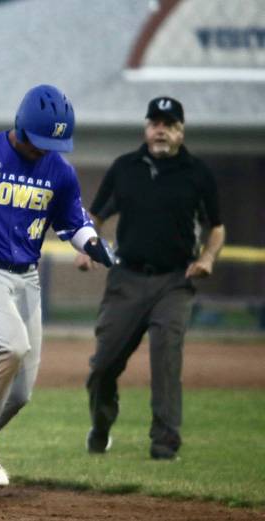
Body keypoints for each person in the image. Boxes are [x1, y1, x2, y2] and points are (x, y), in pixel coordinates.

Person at [0, 84, 115, 503]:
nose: (44, 149)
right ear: (20, 126)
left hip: (27, 277)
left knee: (22, 392)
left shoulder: (59, 170)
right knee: (11, 347)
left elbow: (73, 222)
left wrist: (93, 244)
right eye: (39, 140)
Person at [76, 96, 225, 460]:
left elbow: (217, 228)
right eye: (155, 123)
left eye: (169, 124)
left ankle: (164, 445)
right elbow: (95, 216)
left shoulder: (197, 173)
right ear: (146, 128)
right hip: (125, 279)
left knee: (166, 359)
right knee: (103, 367)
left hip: (174, 282)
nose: (161, 130)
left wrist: (207, 256)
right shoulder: (125, 168)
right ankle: (102, 423)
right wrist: (85, 247)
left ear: (180, 131)